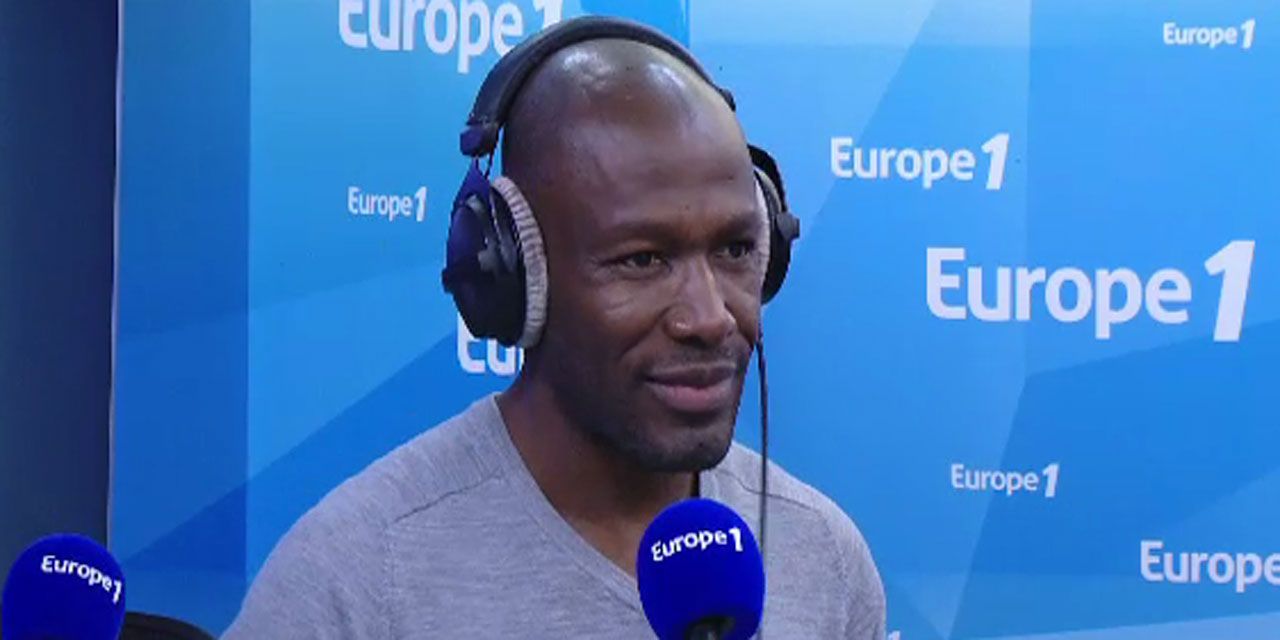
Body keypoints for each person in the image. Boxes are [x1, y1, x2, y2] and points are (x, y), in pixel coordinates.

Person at [223, 18, 885, 639]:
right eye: (642, 260)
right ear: (516, 275)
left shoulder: (824, 559)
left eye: (735, 250)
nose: (710, 317)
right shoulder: (355, 583)